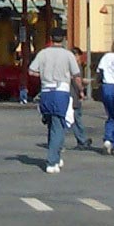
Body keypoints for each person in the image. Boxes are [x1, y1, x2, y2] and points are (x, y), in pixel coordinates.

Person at [28, 28, 82, 174]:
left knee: (51, 124)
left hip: (46, 91)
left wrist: (43, 75)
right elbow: (76, 74)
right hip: (61, 91)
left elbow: (31, 71)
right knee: (59, 125)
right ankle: (52, 160)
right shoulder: (68, 55)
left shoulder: (43, 53)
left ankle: (56, 156)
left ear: (51, 38)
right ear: (63, 39)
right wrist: (80, 89)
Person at [69, 47, 93, 148]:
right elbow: (77, 80)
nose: (79, 58)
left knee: (75, 119)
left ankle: (81, 140)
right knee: (76, 119)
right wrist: (81, 90)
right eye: (78, 55)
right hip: (74, 94)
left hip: (70, 94)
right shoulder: (75, 67)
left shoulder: (70, 66)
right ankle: (82, 140)